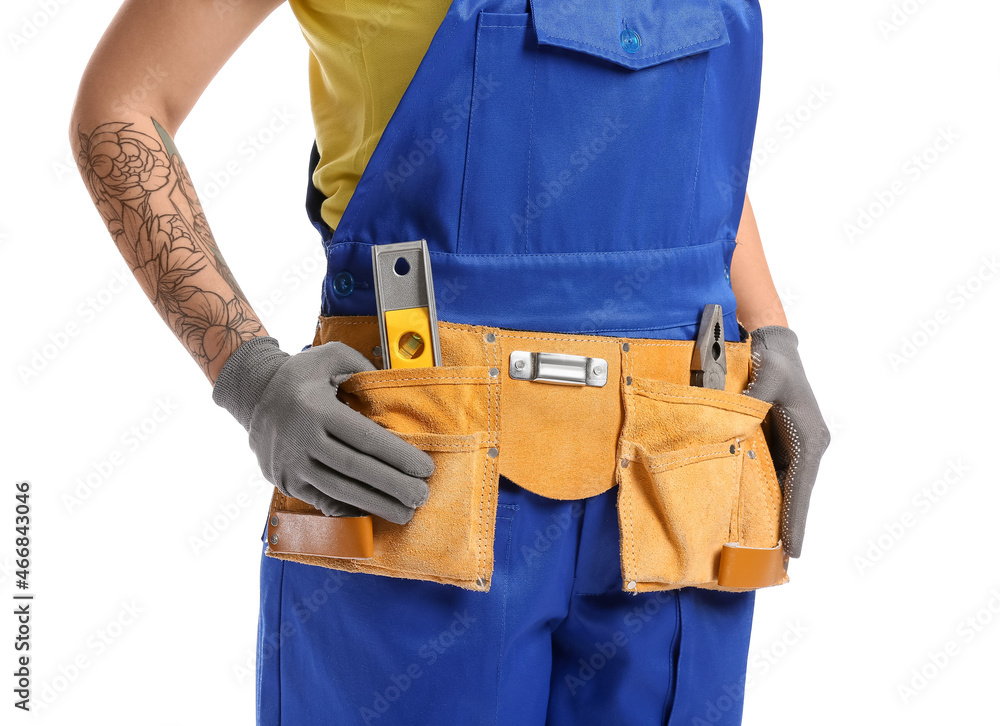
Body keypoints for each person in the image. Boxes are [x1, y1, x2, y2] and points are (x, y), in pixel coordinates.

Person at [70, 0, 830, 723]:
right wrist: (249, 374)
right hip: (417, 469)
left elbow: (677, 130)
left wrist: (771, 334)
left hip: (685, 466)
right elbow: (121, 107)